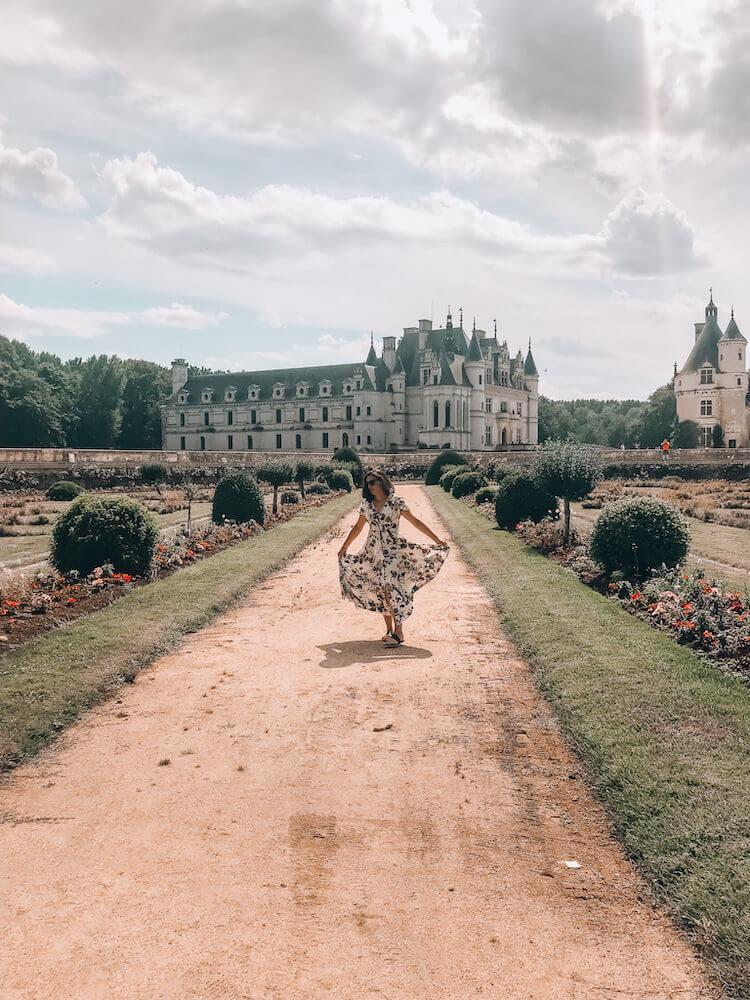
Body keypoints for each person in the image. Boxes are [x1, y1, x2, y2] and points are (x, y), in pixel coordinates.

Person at [337, 469, 449, 647]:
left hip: (394, 552)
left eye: (372, 482)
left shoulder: (396, 502)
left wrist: (437, 540)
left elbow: (416, 522)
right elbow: (357, 528)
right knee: (381, 588)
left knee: (392, 588)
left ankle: (399, 633)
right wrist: (344, 547)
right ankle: (389, 630)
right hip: (373, 553)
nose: (369, 486)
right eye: (367, 483)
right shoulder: (367, 505)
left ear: (382, 481)